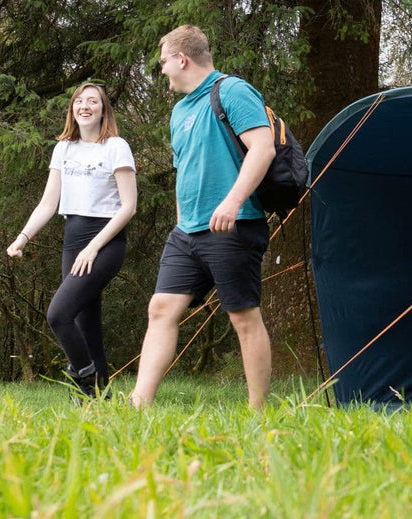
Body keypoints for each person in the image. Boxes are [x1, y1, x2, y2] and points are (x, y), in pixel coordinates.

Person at [131, 25, 275, 410]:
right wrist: (181, 220)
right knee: (160, 308)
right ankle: (137, 405)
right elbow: (186, 170)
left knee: (243, 317)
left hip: (234, 222)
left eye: (163, 62)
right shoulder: (179, 111)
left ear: (182, 59)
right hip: (187, 231)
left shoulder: (233, 91)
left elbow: (263, 149)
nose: (161, 70)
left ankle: (258, 411)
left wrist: (231, 202)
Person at [6, 82, 138, 399]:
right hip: (73, 239)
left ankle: (85, 383)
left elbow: (129, 207)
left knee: (58, 315)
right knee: (85, 322)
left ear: (103, 110)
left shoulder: (116, 146)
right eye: (79, 101)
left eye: (92, 101)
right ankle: (99, 401)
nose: (85, 106)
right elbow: (48, 203)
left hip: (105, 241)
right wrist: (22, 237)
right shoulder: (63, 148)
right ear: (72, 110)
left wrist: (94, 247)